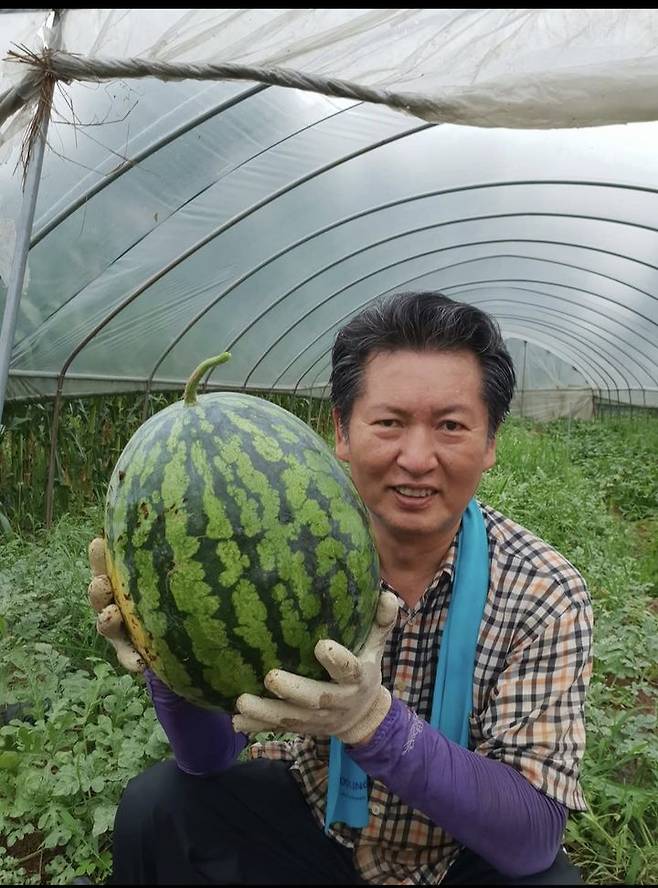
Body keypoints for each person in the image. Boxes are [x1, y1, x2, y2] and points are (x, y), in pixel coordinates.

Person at [88, 291, 593, 885]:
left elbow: (532, 838)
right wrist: (166, 650)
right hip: (309, 827)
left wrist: (375, 724)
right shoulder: (274, 557)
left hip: (459, 857)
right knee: (158, 807)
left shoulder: (544, 591)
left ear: (490, 444)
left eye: (451, 426)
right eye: (389, 423)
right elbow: (208, 760)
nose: (417, 458)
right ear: (342, 433)